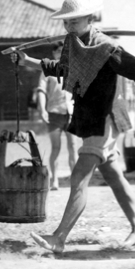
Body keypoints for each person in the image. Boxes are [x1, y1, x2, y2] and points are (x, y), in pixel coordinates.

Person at [10, 0, 135, 253]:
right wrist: (27, 61)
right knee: (112, 172)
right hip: (89, 116)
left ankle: (59, 237)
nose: (69, 27)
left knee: (79, 175)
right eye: (66, 23)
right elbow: (65, 69)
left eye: (75, 21)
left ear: (90, 19)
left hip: (106, 118)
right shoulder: (73, 44)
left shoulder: (106, 47)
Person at [37, 42, 77, 190]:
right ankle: (54, 180)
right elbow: (41, 90)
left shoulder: (72, 69)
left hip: (71, 113)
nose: (61, 54)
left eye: (64, 51)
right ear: (53, 53)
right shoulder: (47, 70)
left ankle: (75, 180)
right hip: (54, 113)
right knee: (56, 147)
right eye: (58, 51)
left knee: (73, 146)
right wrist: (42, 109)